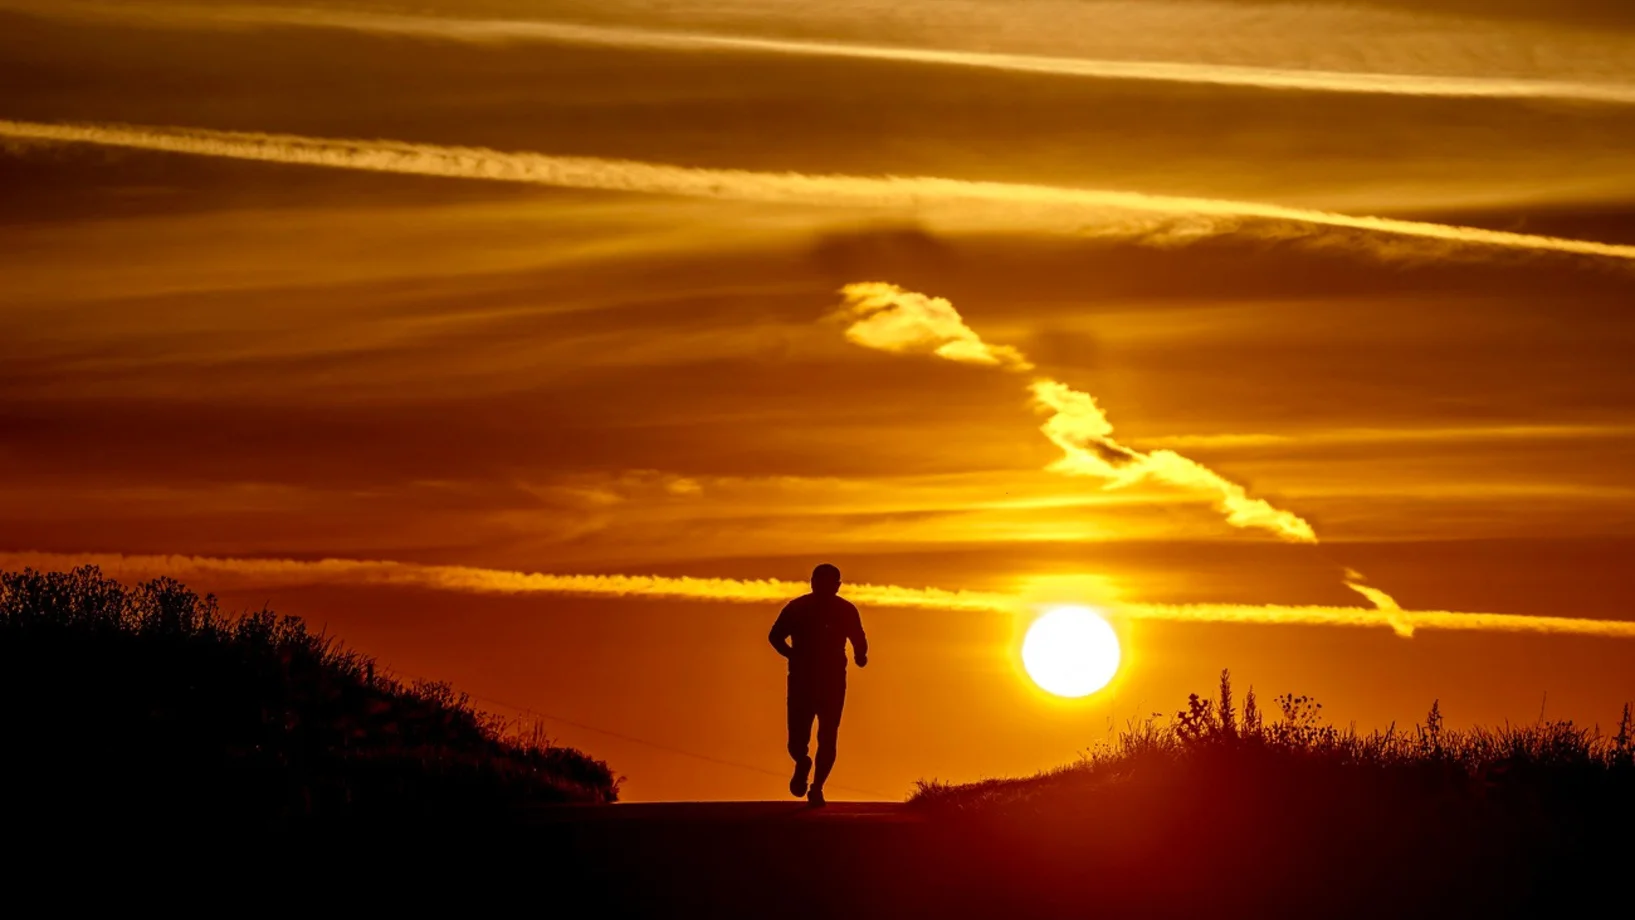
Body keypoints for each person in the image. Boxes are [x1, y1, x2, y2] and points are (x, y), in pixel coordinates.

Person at [768, 563, 868, 806]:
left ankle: (817, 787)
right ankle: (803, 763)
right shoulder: (798, 608)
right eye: (818, 581)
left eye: (828, 583)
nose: (822, 587)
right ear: (812, 583)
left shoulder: (845, 610)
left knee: (827, 736)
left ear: (837, 585)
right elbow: (775, 636)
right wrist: (793, 655)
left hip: (830, 682)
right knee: (798, 739)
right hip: (803, 681)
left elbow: (859, 638)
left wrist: (860, 655)